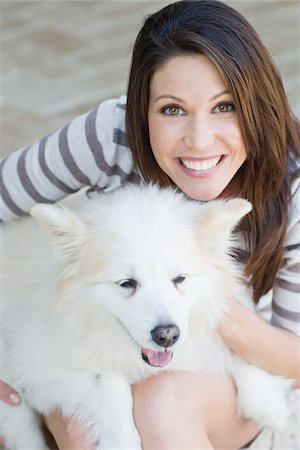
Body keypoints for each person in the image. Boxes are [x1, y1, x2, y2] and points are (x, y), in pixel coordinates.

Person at [1, 0, 299, 449]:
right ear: (141, 109)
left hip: (240, 376)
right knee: (88, 429)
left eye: (225, 106)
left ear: (257, 105)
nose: (199, 140)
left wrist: (218, 309)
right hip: (99, 351)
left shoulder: (293, 189)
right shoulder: (111, 135)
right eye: (172, 109)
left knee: (157, 407)